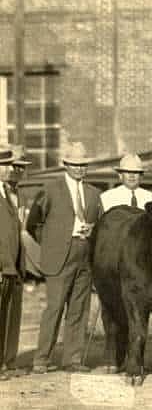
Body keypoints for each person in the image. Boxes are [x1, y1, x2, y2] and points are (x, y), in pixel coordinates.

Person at [28, 142, 102, 373]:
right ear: (66, 165)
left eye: (83, 165)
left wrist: (92, 231)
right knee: (55, 308)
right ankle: (41, 359)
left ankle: (73, 359)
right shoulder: (51, 189)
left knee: (79, 309)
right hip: (59, 257)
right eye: (75, 164)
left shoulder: (93, 193)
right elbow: (34, 223)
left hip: (84, 256)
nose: (79, 169)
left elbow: (99, 223)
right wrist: (52, 243)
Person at [0, 147, 27, 381]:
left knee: (9, 317)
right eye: (5, 165)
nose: (9, 169)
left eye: (10, 164)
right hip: (1, 267)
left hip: (13, 266)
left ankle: (7, 362)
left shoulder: (9, 193)